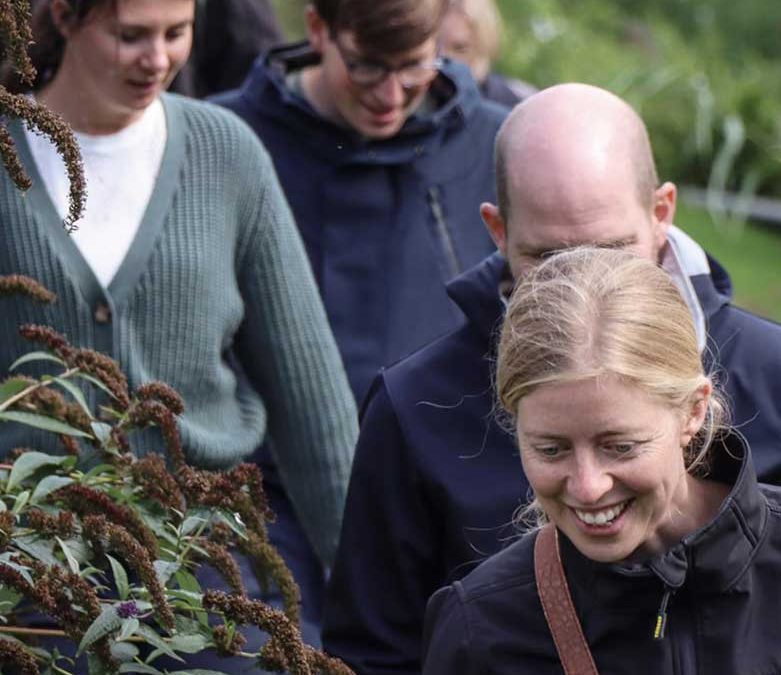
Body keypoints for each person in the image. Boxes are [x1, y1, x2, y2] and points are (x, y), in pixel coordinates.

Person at [322, 83, 781, 674]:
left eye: (611, 248)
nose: (589, 485)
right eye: (547, 258)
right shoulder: (415, 406)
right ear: (498, 232)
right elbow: (371, 654)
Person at [0, 0, 358, 657]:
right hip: (28, 581)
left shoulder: (227, 155)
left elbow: (312, 402)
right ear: (66, 16)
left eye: (176, 32)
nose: (158, 59)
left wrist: (375, 589)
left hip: (199, 571)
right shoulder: (7, 152)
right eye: (130, 35)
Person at [422, 246, 781, 674]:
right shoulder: (481, 632)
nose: (587, 486)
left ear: (693, 411)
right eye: (551, 449)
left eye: (620, 446)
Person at [213, 0, 507, 406]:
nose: (390, 96)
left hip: (438, 459)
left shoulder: (496, 145)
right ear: (318, 29)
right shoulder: (223, 138)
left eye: (413, 66)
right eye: (365, 66)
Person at [438, 0, 535, 107]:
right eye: (435, 46)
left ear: (482, 44)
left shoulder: (518, 102)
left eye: (460, 48)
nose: (443, 57)